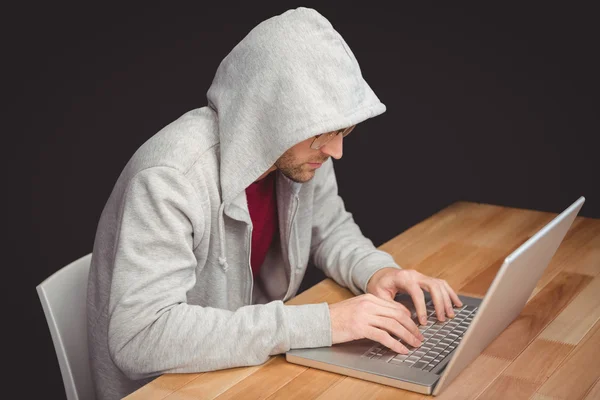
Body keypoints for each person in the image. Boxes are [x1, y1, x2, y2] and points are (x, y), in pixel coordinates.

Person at [86, 7, 462, 399]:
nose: (336, 150)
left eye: (344, 131)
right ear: (271, 116)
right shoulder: (168, 179)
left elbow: (328, 229)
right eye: (324, 134)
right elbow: (140, 338)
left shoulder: (298, 154)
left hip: (243, 370)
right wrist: (324, 323)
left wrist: (376, 273)